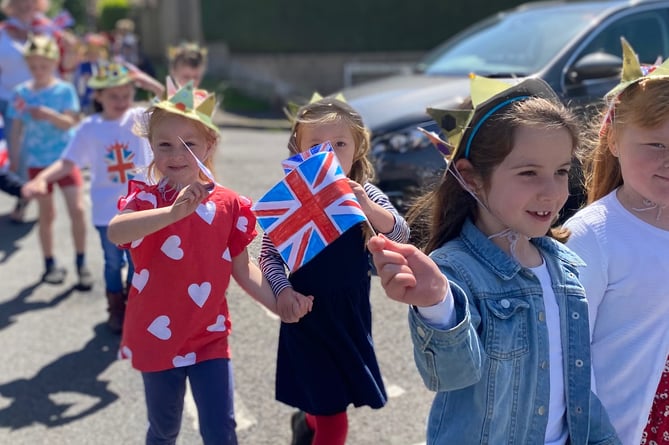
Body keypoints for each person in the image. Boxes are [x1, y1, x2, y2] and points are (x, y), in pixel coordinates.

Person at [367, 76, 621, 445]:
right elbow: (449, 375)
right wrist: (438, 304)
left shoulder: (563, 266)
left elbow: (578, 383)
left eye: (562, 171)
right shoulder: (454, 269)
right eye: (528, 173)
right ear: (470, 177)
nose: (551, 191)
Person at [107, 80, 286, 445]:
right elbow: (116, 232)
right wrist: (171, 213)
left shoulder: (230, 205)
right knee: (164, 430)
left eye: (190, 143)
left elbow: (242, 269)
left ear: (209, 146)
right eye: (165, 145)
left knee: (221, 431)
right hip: (155, 336)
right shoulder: (144, 199)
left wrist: (281, 302)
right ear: (152, 149)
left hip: (209, 335)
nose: (178, 154)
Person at [258, 95, 410, 445]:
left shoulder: (365, 192)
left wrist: (368, 207)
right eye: (316, 143)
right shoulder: (292, 196)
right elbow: (269, 255)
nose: (327, 152)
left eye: (339, 143)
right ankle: (312, 423)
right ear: (298, 146)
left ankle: (306, 423)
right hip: (306, 315)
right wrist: (283, 291)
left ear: (358, 148)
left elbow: (402, 234)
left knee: (328, 400)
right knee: (333, 421)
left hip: (350, 316)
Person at [563, 38, 669, 445]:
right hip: (622, 430)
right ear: (613, 141)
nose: (668, 158)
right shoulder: (592, 234)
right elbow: (567, 356)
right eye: (655, 144)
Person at [23, 62, 162, 333]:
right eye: (113, 96)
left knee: (138, 262)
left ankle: (135, 307)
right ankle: (116, 308)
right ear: (98, 96)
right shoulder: (90, 127)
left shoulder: (139, 118)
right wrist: (41, 178)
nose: (121, 101)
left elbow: (174, 105)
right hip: (106, 212)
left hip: (141, 209)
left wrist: (148, 81)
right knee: (112, 262)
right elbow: (67, 161)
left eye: (125, 95)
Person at [6, 33, 90, 287]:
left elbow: (72, 122)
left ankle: (81, 262)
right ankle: (49, 263)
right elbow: (16, 127)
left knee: (77, 209)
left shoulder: (64, 90)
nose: (38, 71)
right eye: (33, 66)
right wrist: (13, 157)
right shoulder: (21, 92)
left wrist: (49, 115)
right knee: (47, 214)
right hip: (37, 162)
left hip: (65, 159)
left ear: (54, 64)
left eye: (43, 66)